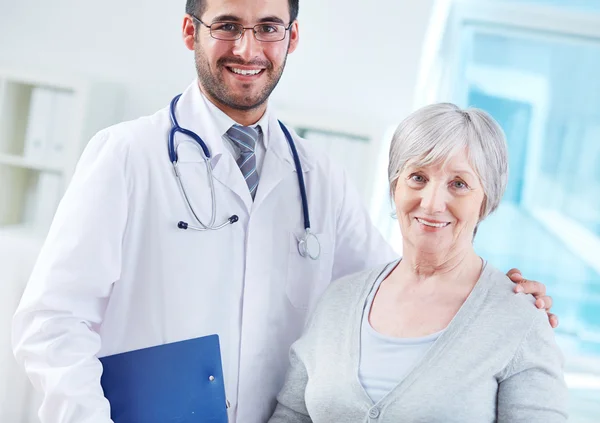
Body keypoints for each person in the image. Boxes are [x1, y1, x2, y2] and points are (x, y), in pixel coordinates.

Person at [11, 1, 556, 423]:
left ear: (291, 38)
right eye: (227, 24)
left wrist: (496, 298)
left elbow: (398, 288)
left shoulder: (317, 177)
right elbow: (52, 322)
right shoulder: (127, 156)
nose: (248, 48)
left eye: (269, 27)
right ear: (189, 32)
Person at [269, 103, 568, 423]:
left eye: (459, 184)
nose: (432, 203)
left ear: (486, 199)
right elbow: (291, 415)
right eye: (417, 177)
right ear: (395, 186)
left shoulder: (518, 317)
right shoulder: (338, 300)